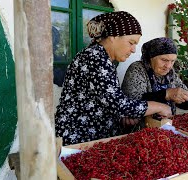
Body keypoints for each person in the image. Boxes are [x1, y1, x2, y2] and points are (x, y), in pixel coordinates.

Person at [55, 11, 172, 145]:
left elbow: (105, 101)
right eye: (131, 42)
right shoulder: (95, 58)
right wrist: (158, 106)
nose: (134, 50)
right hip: (79, 141)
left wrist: (121, 117)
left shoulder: (100, 56)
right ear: (113, 37)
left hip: (92, 139)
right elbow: (118, 104)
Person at [121, 37, 188, 132]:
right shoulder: (137, 69)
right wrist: (166, 94)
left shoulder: (170, 74)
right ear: (151, 58)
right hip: (141, 131)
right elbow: (132, 102)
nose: (168, 66)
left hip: (166, 129)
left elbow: (184, 103)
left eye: (172, 61)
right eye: (164, 60)